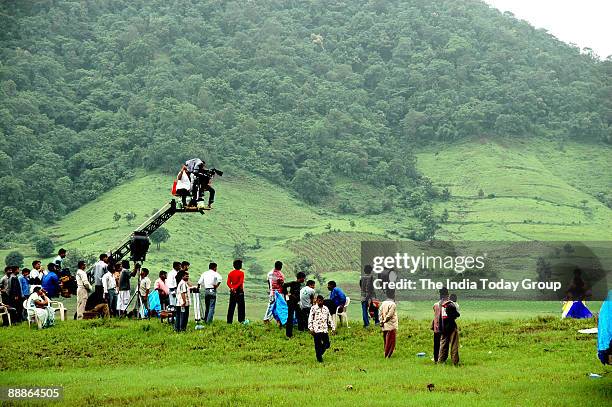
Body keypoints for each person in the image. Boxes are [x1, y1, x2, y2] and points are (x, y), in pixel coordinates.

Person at [308, 295, 336, 362]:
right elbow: (310, 318)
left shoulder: (326, 308)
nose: (320, 302)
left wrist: (333, 328)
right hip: (316, 330)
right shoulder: (313, 308)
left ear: (323, 301)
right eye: (319, 300)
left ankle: (319, 354)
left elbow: (329, 318)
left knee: (327, 344)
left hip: (324, 329)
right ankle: (319, 359)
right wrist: (311, 328)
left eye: (321, 300)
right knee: (317, 345)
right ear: (317, 301)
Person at [438, 288, 460, 366]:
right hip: (451, 326)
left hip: (443, 326)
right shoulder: (451, 304)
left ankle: (441, 361)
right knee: (454, 344)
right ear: (447, 294)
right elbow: (457, 314)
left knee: (443, 345)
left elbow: (439, 316)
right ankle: (455, 362)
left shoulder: (439, 304)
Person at [283, 272, 306, 337]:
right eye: (303, 278)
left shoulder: (298, 284)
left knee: (300, 315)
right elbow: (284, 285)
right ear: (301, 278)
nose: (304, 280)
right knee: (290, 317)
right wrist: (287, 294)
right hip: (291, 302)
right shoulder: (294, 283)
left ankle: (301, 330)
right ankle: (289, 334)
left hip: (295, 302)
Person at [226, 259, 245, 324]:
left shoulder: (230, 273)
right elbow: (240, 282)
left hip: (232, 292)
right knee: (241, 307)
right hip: (239, 291)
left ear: (234, 266)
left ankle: (229, 321)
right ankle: (241, 321)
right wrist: (235, 288)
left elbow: (228, 282)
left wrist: (232, 288)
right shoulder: (241, 273)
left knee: (231, 307)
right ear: (240, 266)